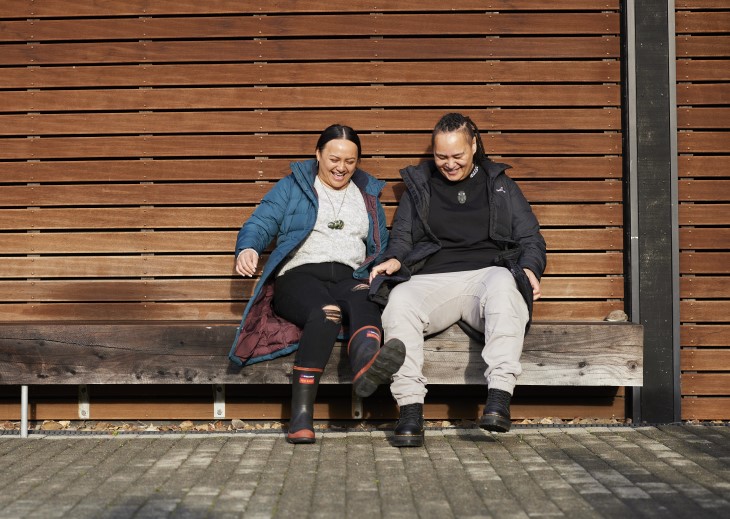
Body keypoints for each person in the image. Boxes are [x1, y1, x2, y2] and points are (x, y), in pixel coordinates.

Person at [369, 113, 546, 447]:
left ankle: (498, 400)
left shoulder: (500, 184)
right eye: (441, 157)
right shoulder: (419, 185)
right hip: (433, 280)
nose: (449, 164)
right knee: (400, 302)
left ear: (474, 146)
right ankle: (409, 411)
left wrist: (530, 268)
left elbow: (530, 238)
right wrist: (393, 259)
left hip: (487, 277)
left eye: (457, 156)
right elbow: (403, 239)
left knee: (505, 288)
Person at [229, 124, 406, 444]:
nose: (342, 167)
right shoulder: (293, 187)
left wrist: (387, 261)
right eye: (334, 159)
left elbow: (381, 243)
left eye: (350, 161)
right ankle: (300, 418)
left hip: (350, 276)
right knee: (327, 313)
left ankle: (366, 369)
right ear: (318, 155)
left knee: (367, 300)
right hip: (299, 276)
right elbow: (262, 221)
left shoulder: (367, 195)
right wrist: (249, 247)